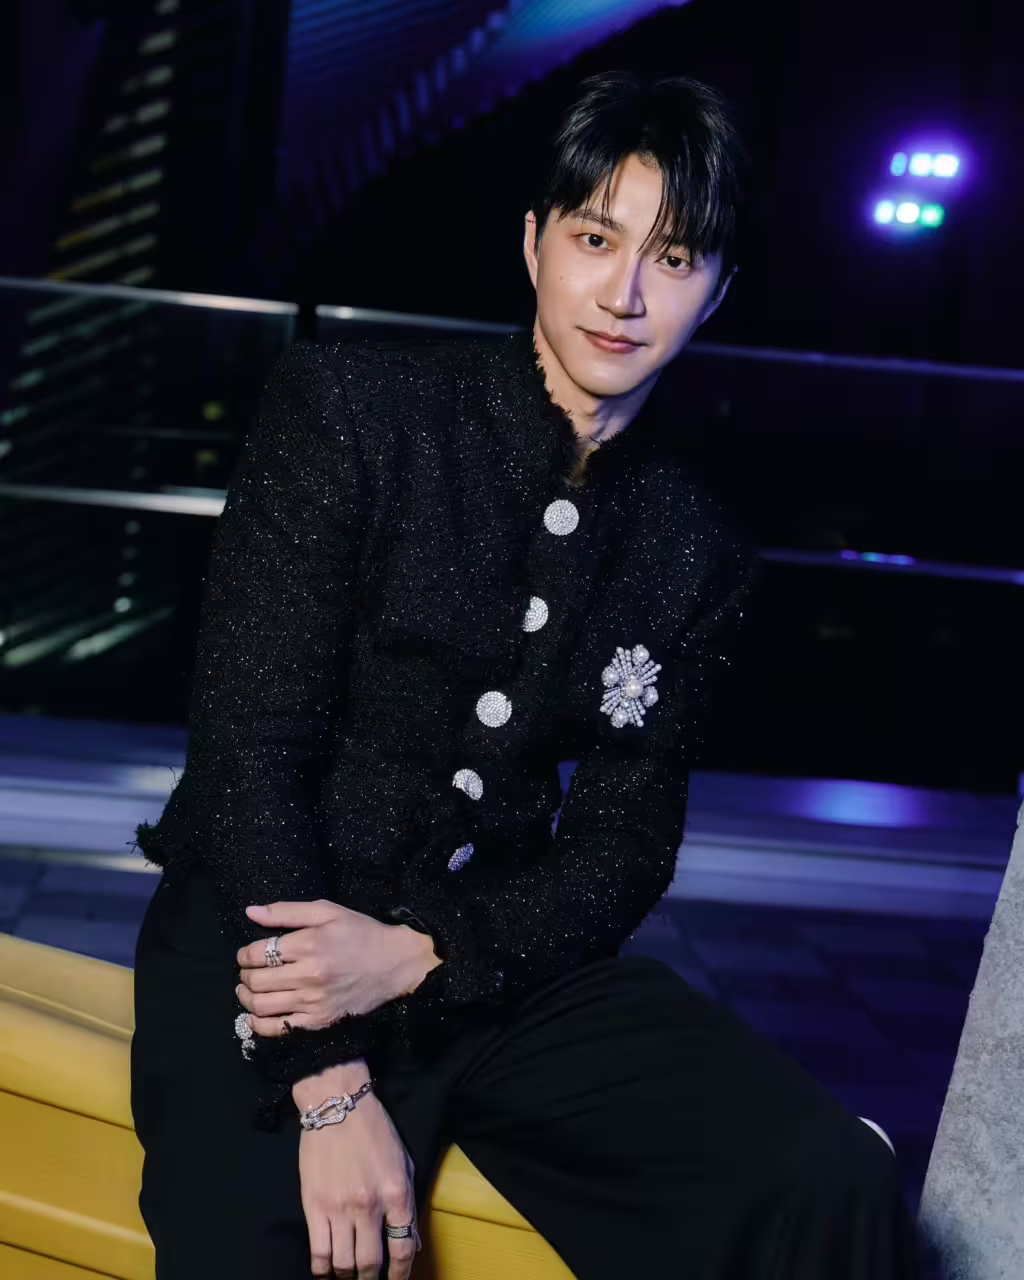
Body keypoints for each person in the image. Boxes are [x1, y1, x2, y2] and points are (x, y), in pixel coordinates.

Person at [130, 70, 921, 1280]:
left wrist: (427, 953)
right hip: (263, 939)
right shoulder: (356, 410)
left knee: (827, 1177)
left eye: (674, 258)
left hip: (489, 965)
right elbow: (247, 757)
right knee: (289, 1251)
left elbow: (622, 846)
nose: (625, 293)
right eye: (596, 239)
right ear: (533, 241)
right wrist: (325, 1080)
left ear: (717, 291)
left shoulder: (692, 544)